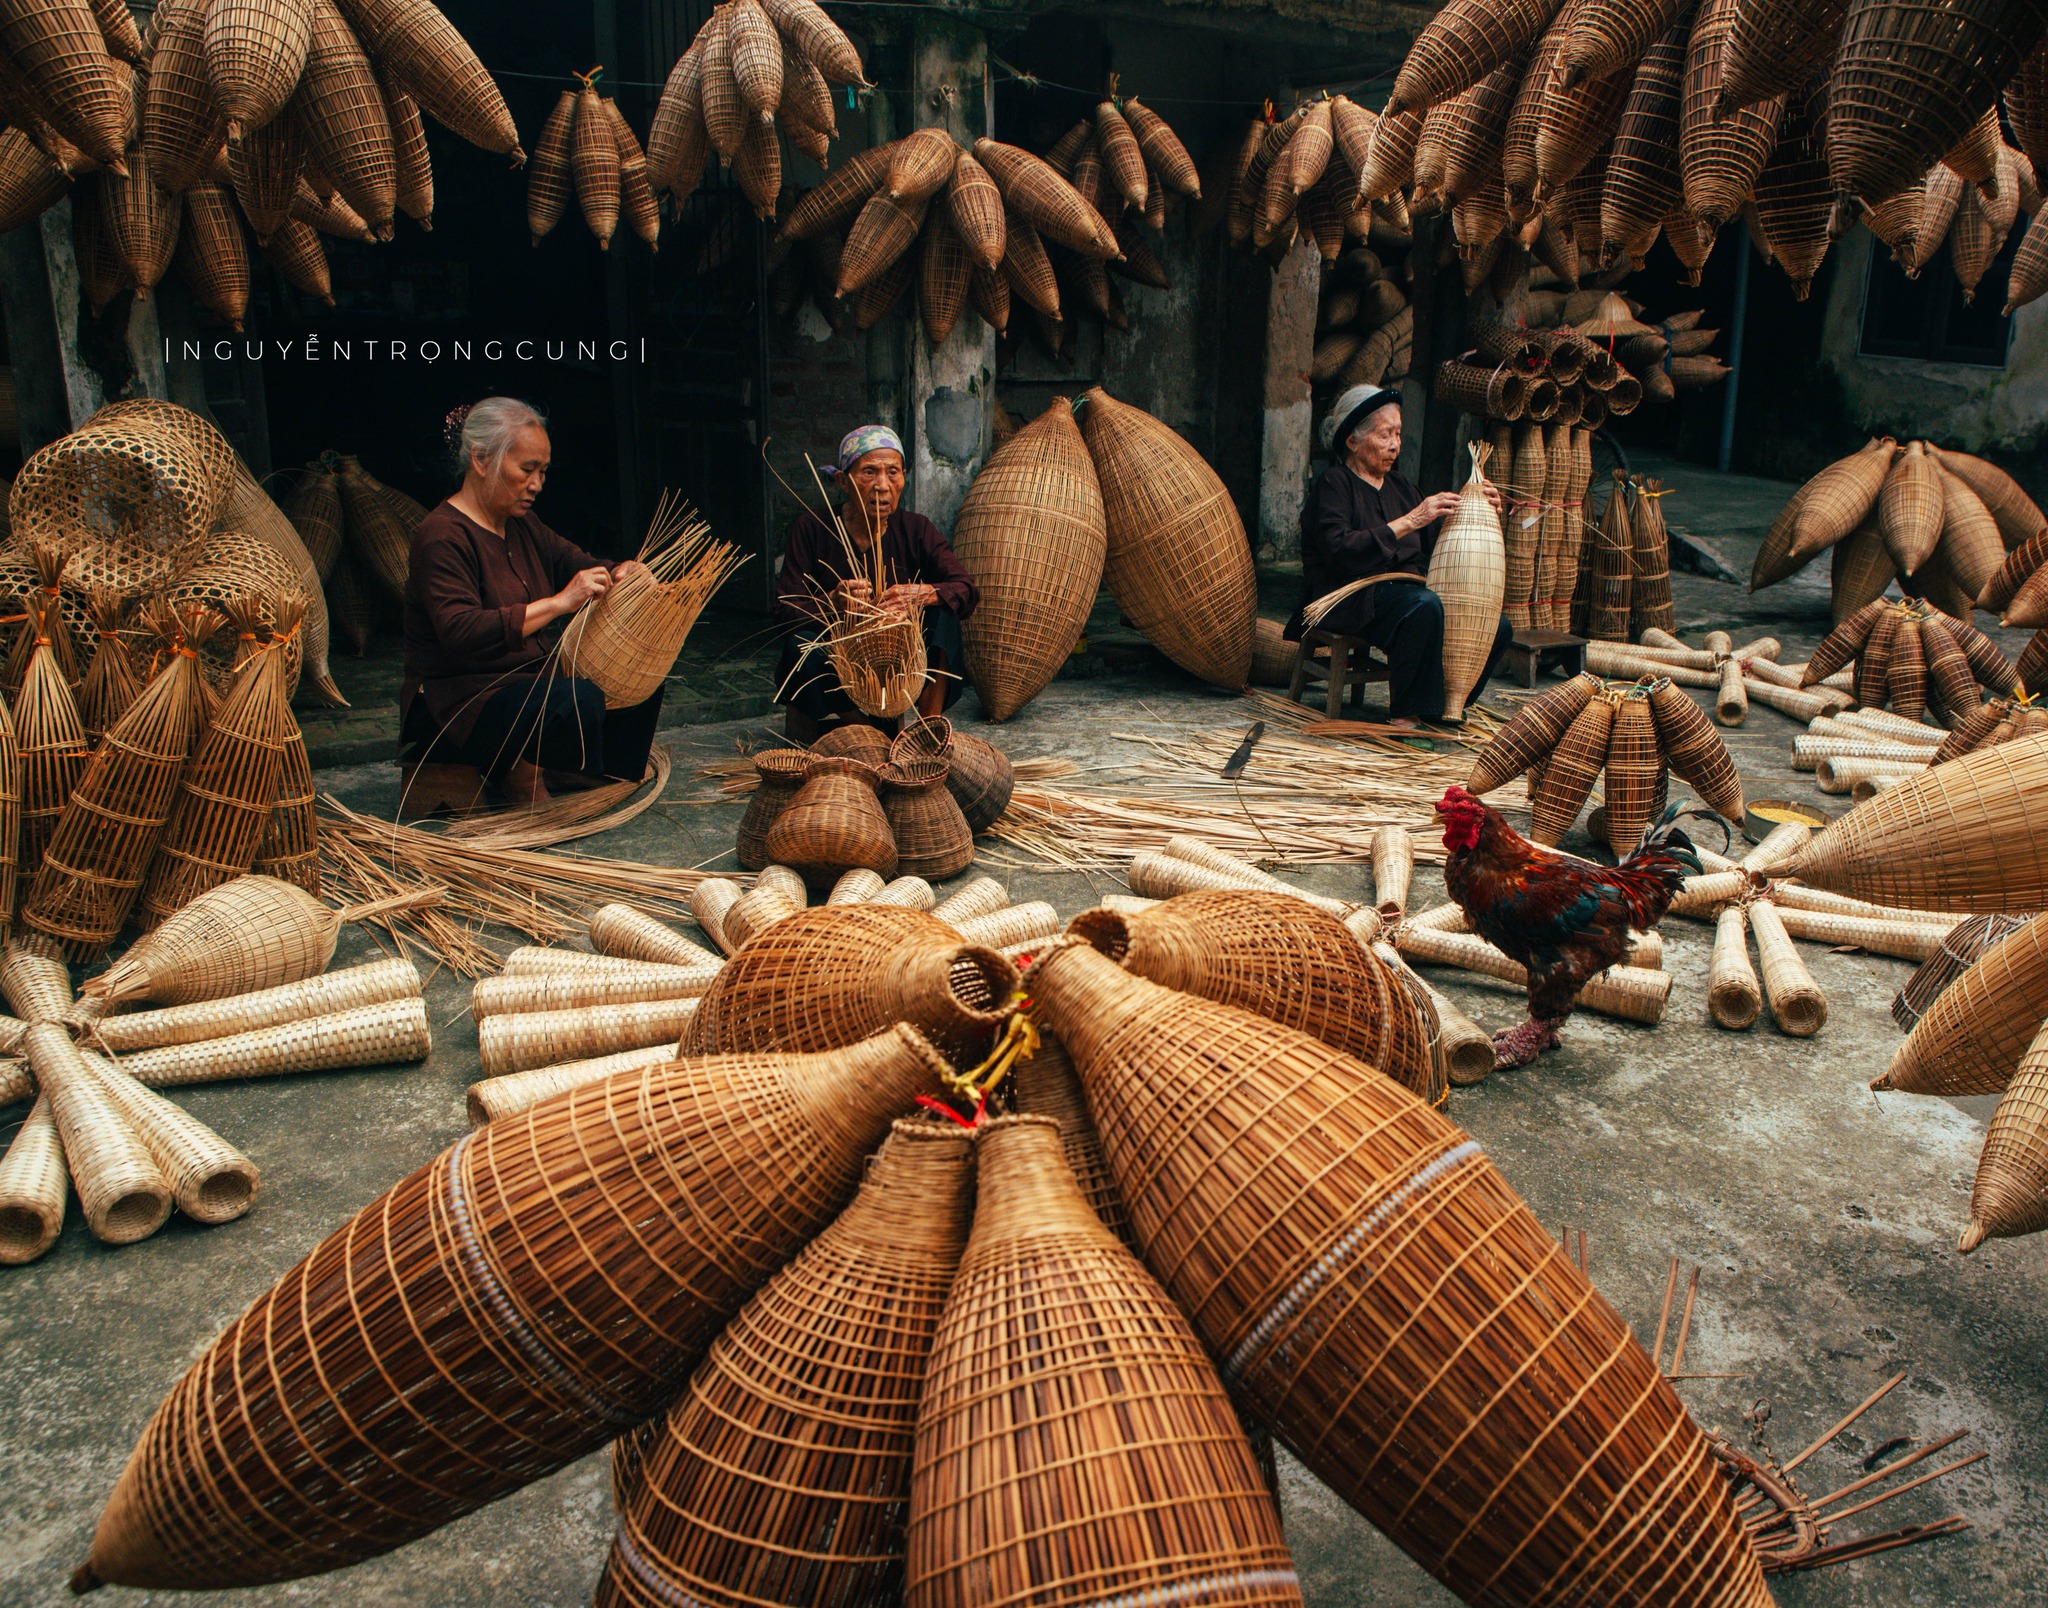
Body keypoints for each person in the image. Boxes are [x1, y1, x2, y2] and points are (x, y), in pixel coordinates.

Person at [400, 397, 661, 805]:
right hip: (461, 702)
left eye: (542, 471)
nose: (537, 484)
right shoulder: (442, 535)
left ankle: (573, 767)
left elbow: (577, 563)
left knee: (640, 676)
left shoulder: (523, 525)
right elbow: (460, 630)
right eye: (527, 469)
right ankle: (522, 770)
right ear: (481, 460)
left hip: (527, 686)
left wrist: (620, 572)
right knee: (573, 701)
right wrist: (559, 603)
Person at [1284, 384, 1515, 727]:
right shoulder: (1334, 485)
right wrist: (1411, 520)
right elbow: (1339, 550)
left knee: (1496, 625)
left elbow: (1441, 544)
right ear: (1353, 441)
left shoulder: (1403, 488)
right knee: (1422, 606)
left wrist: (1480, 510)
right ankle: (1406, 715)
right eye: (1384, 435)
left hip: (1405, 594)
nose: (1395, 445)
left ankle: (1446, 703)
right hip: (1350, 597)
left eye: (1398, 434)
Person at [772, 424, 979, 740]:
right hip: (840, 657)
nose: (882, 485)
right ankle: (868, 732)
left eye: (892, 472)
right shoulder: (812, 528)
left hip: (899, 656)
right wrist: (833, 603)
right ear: (843, 481)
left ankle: (926, 730)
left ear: (903, 478)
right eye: (869, 472)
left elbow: (966, 589)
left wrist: (924, 593)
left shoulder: (916, 530)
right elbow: (784, 610)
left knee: (944, 614)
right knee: (800, 646)